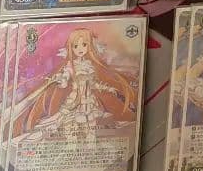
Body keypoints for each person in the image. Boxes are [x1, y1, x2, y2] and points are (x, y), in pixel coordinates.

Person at [8, 28, 137, 147]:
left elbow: (93, 84)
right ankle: (71, 149)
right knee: (70, 129)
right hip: (73, 101)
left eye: (84, 44)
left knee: (90, 131)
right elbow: (64, 82)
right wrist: (60, 80)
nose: (80, 49)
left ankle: (89, 152)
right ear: (71, 47)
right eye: (76, 46)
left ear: (89, 46)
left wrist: (109, 89)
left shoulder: (89, 65)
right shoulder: (70, 66)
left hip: (89, 101)